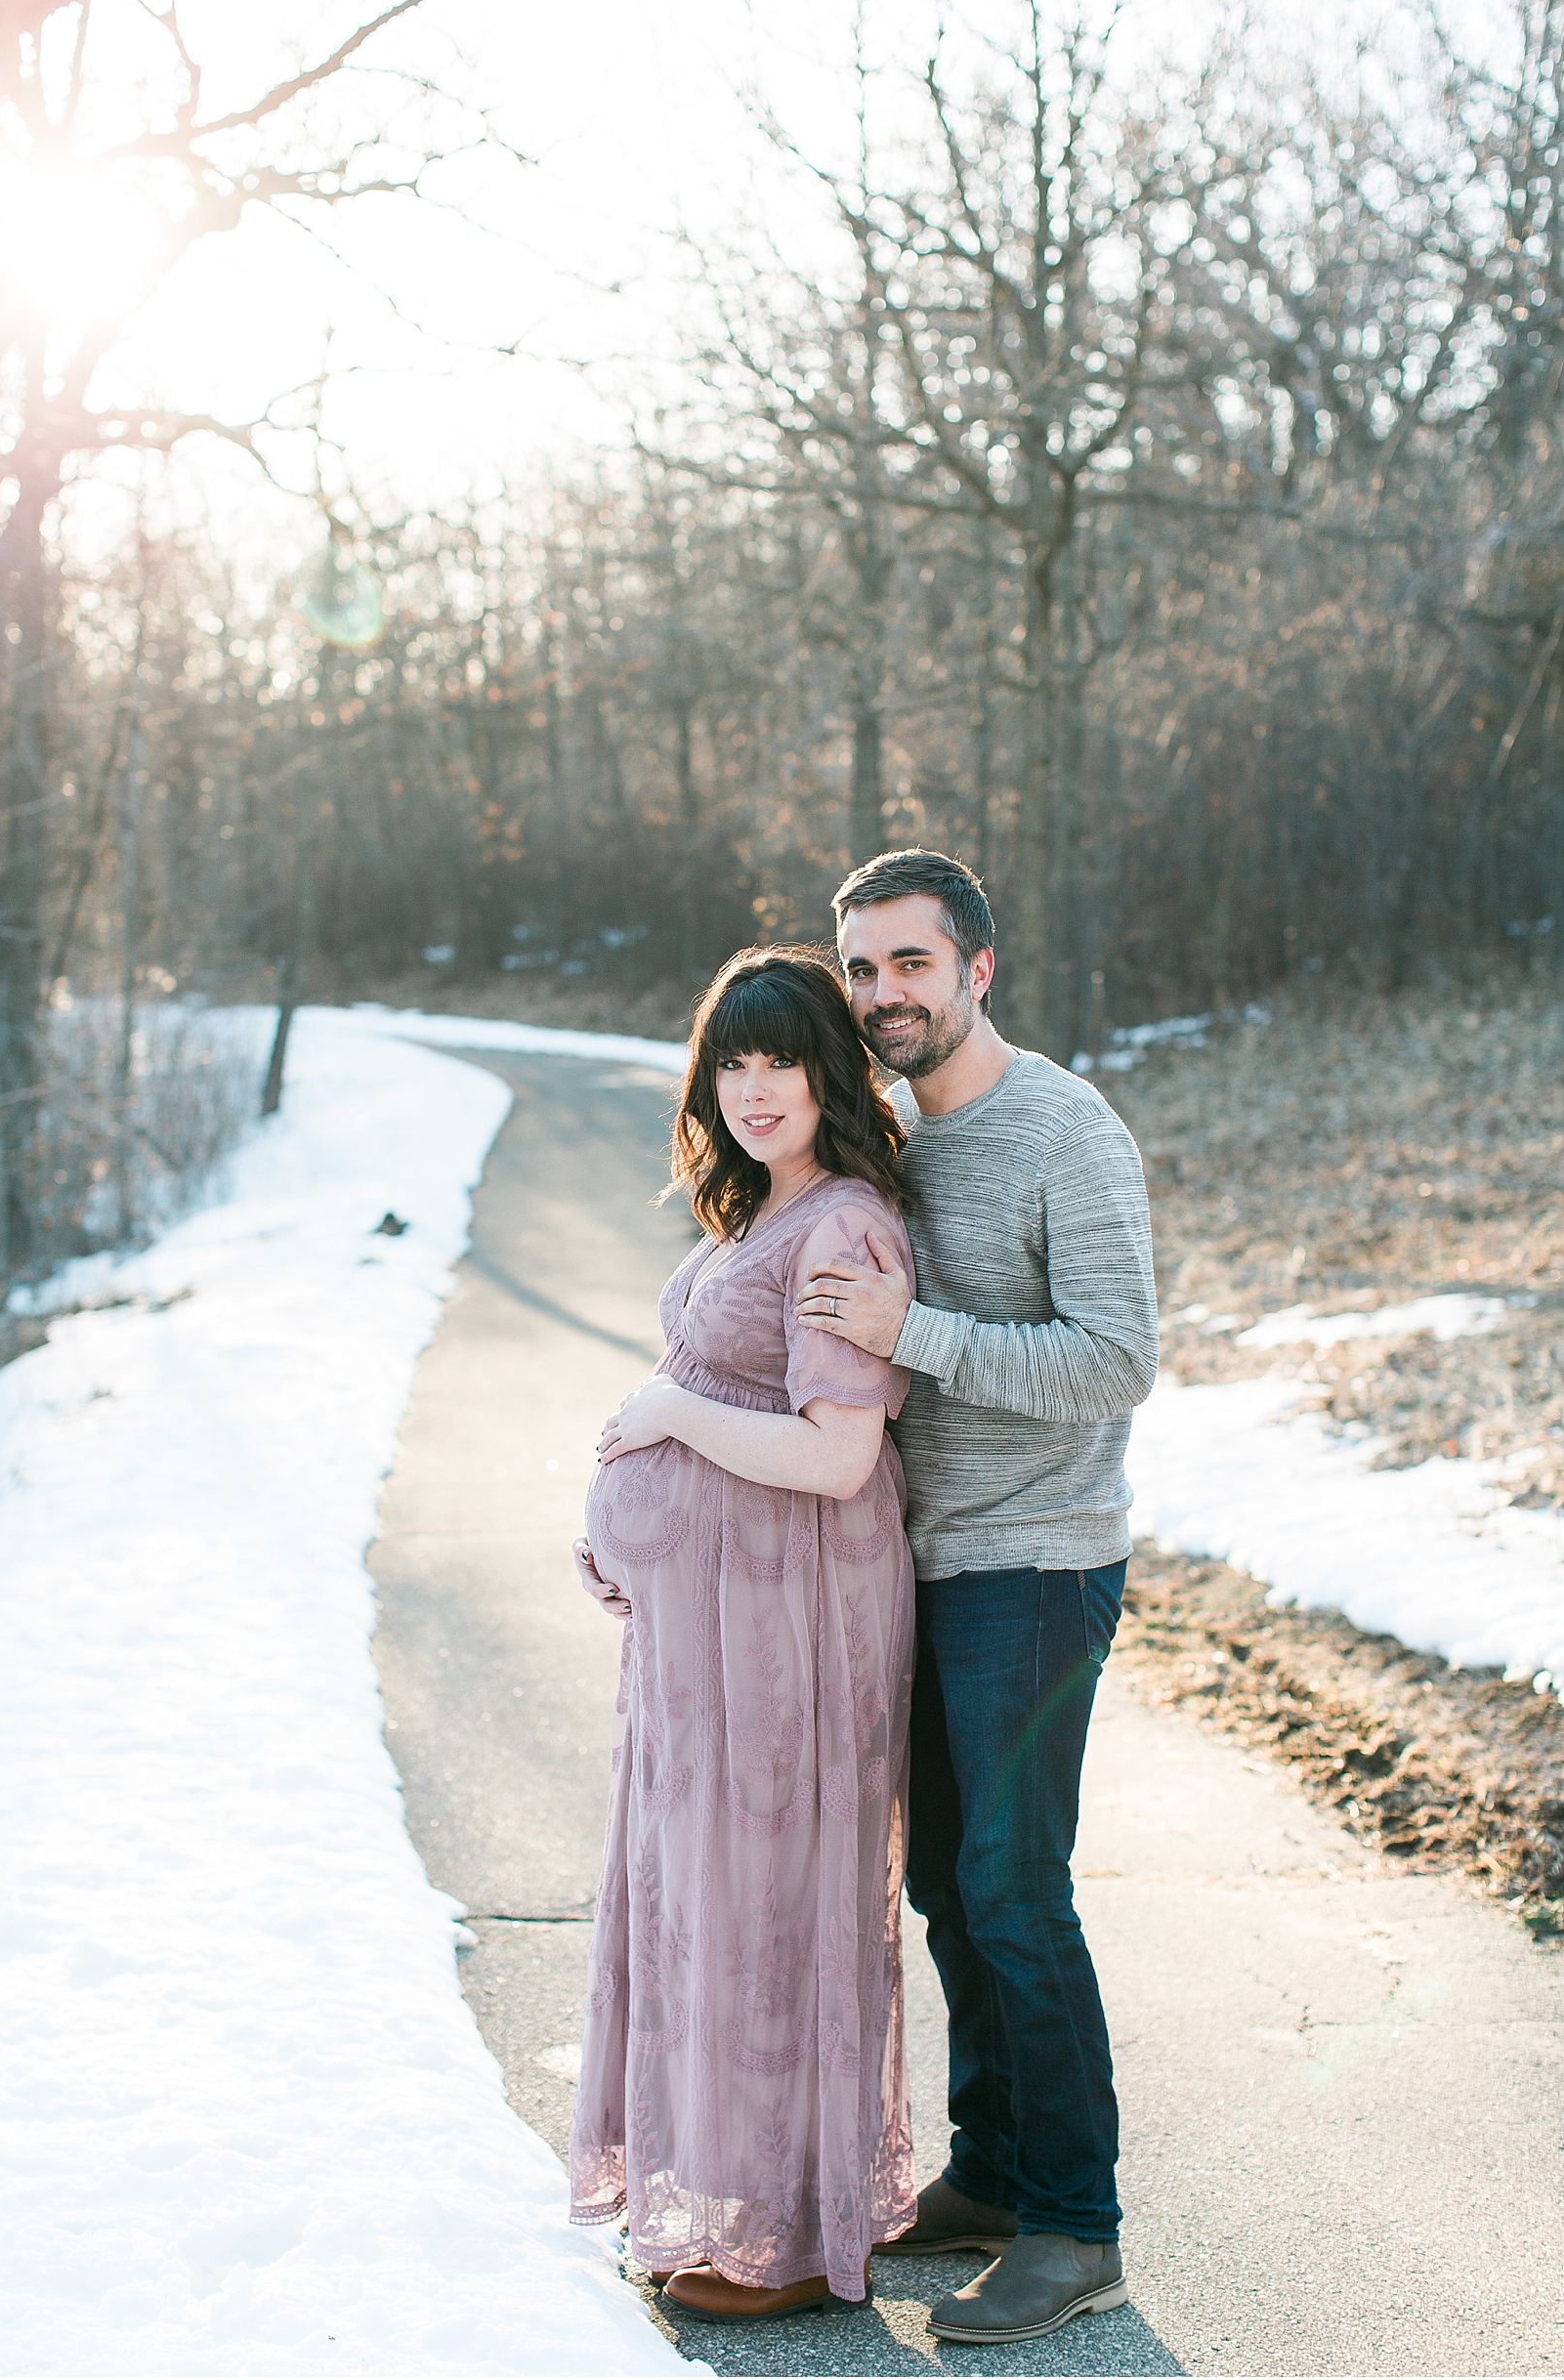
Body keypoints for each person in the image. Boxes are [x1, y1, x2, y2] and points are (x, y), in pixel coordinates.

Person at [796, 848, 1159, 2348]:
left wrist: (917, 1331)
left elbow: (1115, 1361)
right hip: (925, 1564)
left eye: (912, 966)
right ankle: (994, 2173)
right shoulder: (890, 1138)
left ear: (978, 969)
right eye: (865, 971)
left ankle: (1077, 2226)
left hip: (1038, 1558)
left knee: (1019, 1892)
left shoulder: (1064, 1131)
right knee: (950, 1885)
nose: (886, 996)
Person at [569, 948, 919, 2323]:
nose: (756, 1088)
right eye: (733, 1061)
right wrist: (627, 1533)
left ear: (829, 1071)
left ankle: (780, 2230)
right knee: (707, 1901)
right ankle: (730, 2203)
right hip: (713, 1620)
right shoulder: (763, 1210)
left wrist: (664, 1429)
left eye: (782, 1060)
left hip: (789, 1623)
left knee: (769, 1907)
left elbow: (837, 1457)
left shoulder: (840, 1228)